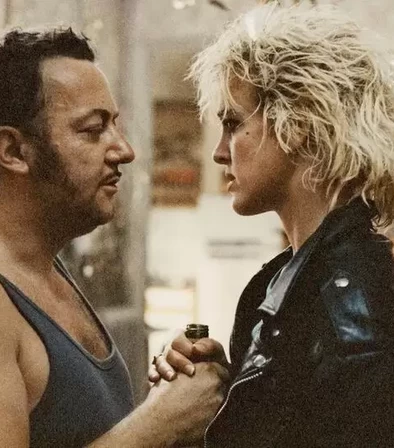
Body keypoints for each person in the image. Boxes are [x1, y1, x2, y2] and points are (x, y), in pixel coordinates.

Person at [0, 28, 228, 447]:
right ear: (14, 151)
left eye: (115, 125)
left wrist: (174, 400)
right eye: (93, 130)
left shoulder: (45, 268)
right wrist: (157, 424)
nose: (124, 150)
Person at [150, 4, 394, 447]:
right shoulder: (294, 284)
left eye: (232, 124)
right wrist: (231, 392)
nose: (219, 152)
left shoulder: (350, 314)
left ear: (296, 124)